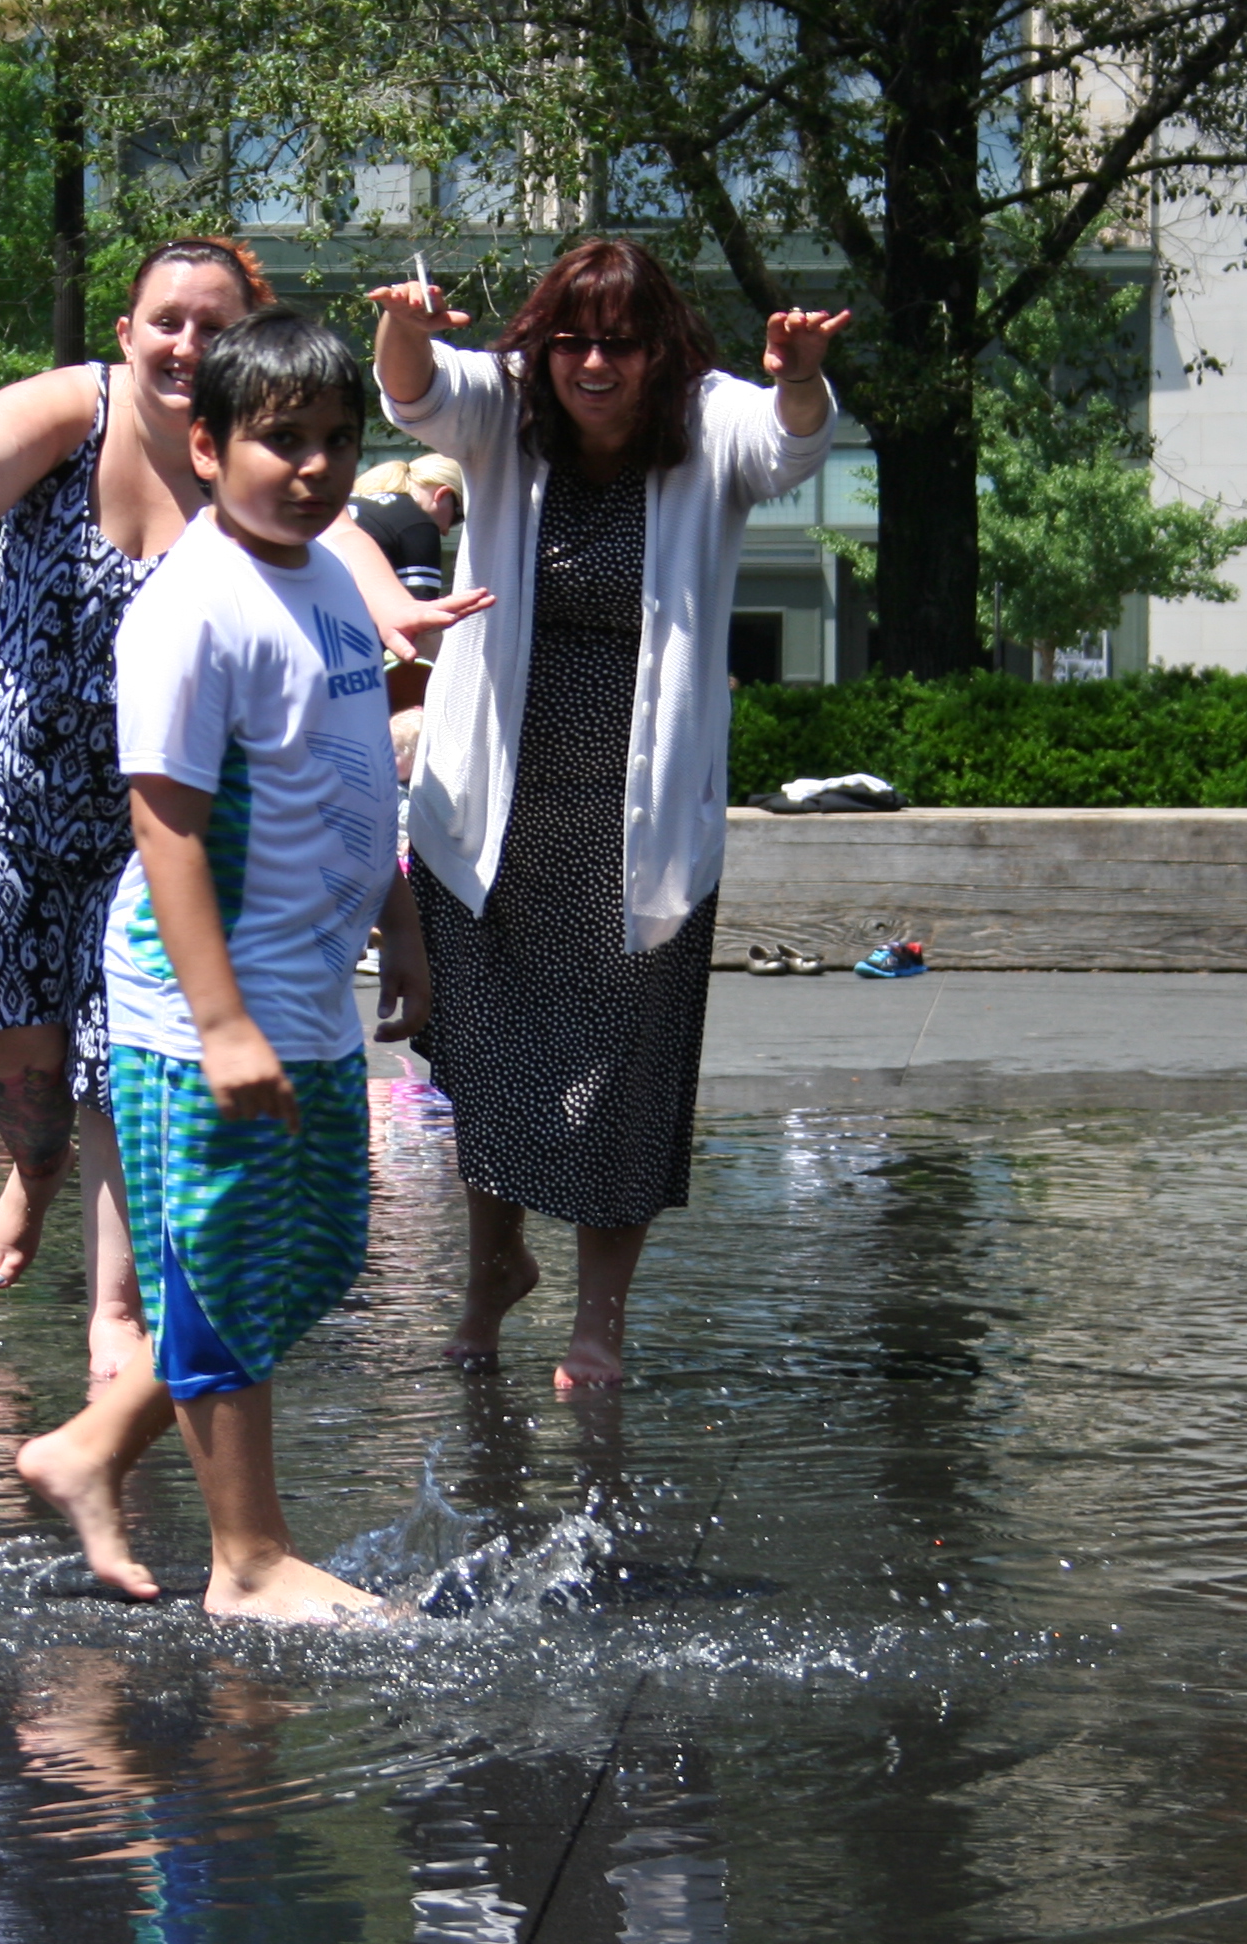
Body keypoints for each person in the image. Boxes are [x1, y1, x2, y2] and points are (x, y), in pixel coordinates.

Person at [0, 238, 485, 1391]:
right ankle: (32, 1165)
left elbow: (339, 538)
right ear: (127, 334)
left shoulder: (253, 449)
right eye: (166, 322)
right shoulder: (78, 412)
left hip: (145, 829)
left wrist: (394, 603)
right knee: (24, 1065)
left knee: (110, 1063)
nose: (186, 345)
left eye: (214, 326)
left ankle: (113, 1310)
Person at [370, 239, 848, 1392]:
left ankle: (600, 1323)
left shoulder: (709, 422)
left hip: (641, 826)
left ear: (658, 352)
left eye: (619, 345)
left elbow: (791, 443)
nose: (593, 365)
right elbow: (415, 391)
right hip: (493, 809)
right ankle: (493, 1272)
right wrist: (404, 324)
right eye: (573, 342)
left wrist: (798, 377)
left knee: (623, 1075)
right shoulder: (506, 408)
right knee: (491, 1060)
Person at [9, 308, 425, 1621]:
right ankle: (248, 1560)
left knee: (322, 1252)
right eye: (280, 440)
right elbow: (168, 827)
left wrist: (401, 920)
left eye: (336, 440)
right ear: (207, 447)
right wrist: (222, 1020)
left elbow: (354, 773)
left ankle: (94, 1446)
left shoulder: (326, 578)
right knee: (224, 1265)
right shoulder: (194, 604)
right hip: (205, 1010)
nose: (313, 467)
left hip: (307, 993)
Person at [347, 452, 466, 602]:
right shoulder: (418, 524)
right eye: (458, 517)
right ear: (442, 494)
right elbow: (421, 610)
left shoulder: (350, 502)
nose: (446, 531)